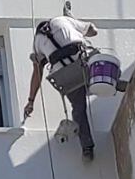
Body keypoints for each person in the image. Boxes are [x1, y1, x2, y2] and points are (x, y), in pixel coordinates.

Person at [23, 14, 99, 160]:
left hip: (65, 74)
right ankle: (116, 82)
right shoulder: (63, 20)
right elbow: (93, 30)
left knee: (78, 109)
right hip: (83, 60)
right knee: (103, 67)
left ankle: (87, 148)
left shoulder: (37, 42)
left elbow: (37, 72)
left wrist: (31, 101)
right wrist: (77, 25)